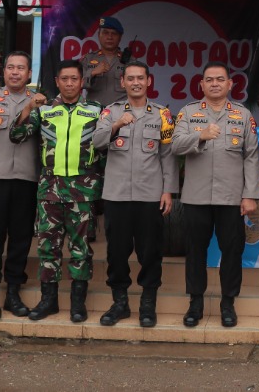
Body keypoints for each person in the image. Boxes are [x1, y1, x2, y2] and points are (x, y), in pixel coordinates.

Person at [9, 60, 104, 322]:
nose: (69, 84)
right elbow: (16, 135)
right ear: (57, 81)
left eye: (74, 79)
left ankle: (77, 304)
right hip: (49, 190)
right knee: (48, 248)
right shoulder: (45, 111)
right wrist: (29, 107)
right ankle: (48, 301)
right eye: (65, 79)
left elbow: (108, 148)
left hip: (83, 192)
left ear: (82, 82)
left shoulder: (96, 111)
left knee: (80, 249)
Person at [171, 62, 259, 328]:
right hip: (196, 197)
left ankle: (228, 303)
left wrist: (250, 195)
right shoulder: (188, 112)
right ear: (201, 84)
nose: (214, 84)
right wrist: (200, 136)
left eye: (220, 79)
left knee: (232, 251)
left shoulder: (243, 115)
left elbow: (252, 157)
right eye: (209, 79)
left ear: (230, 84)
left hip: (231, 198)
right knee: (195, 251)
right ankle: (195, 303)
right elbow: (175, 145)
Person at [91, 60, 177, 328]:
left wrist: (168, 190)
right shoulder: (110, 112)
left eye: (141, 78)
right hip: (116, 196)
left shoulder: (162, 114)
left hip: (150, 196)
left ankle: (148, 304)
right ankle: (120, 303)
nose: (136, 82)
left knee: (150, 252)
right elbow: (96, 142)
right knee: (116, 252)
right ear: (123, 82)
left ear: (149, 81)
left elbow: (168, 155)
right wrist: (117, 124)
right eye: (131, 78)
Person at [0, 50, 45, 320]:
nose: (15, 72)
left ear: (29, 74)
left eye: (20, 68)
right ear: (3, 72)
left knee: (21, 238)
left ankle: (13, 292)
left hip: (27, 179)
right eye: (10, 67)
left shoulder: (39, 102)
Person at [81, 15, 128, 107]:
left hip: (121, 111)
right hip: (94, 111)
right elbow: (77, 84)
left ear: (120, 37)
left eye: (114, 33)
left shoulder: (129, 61)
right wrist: (93, 72)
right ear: (99, 35)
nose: (110, 37)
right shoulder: (88, 59)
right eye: (105, 33)